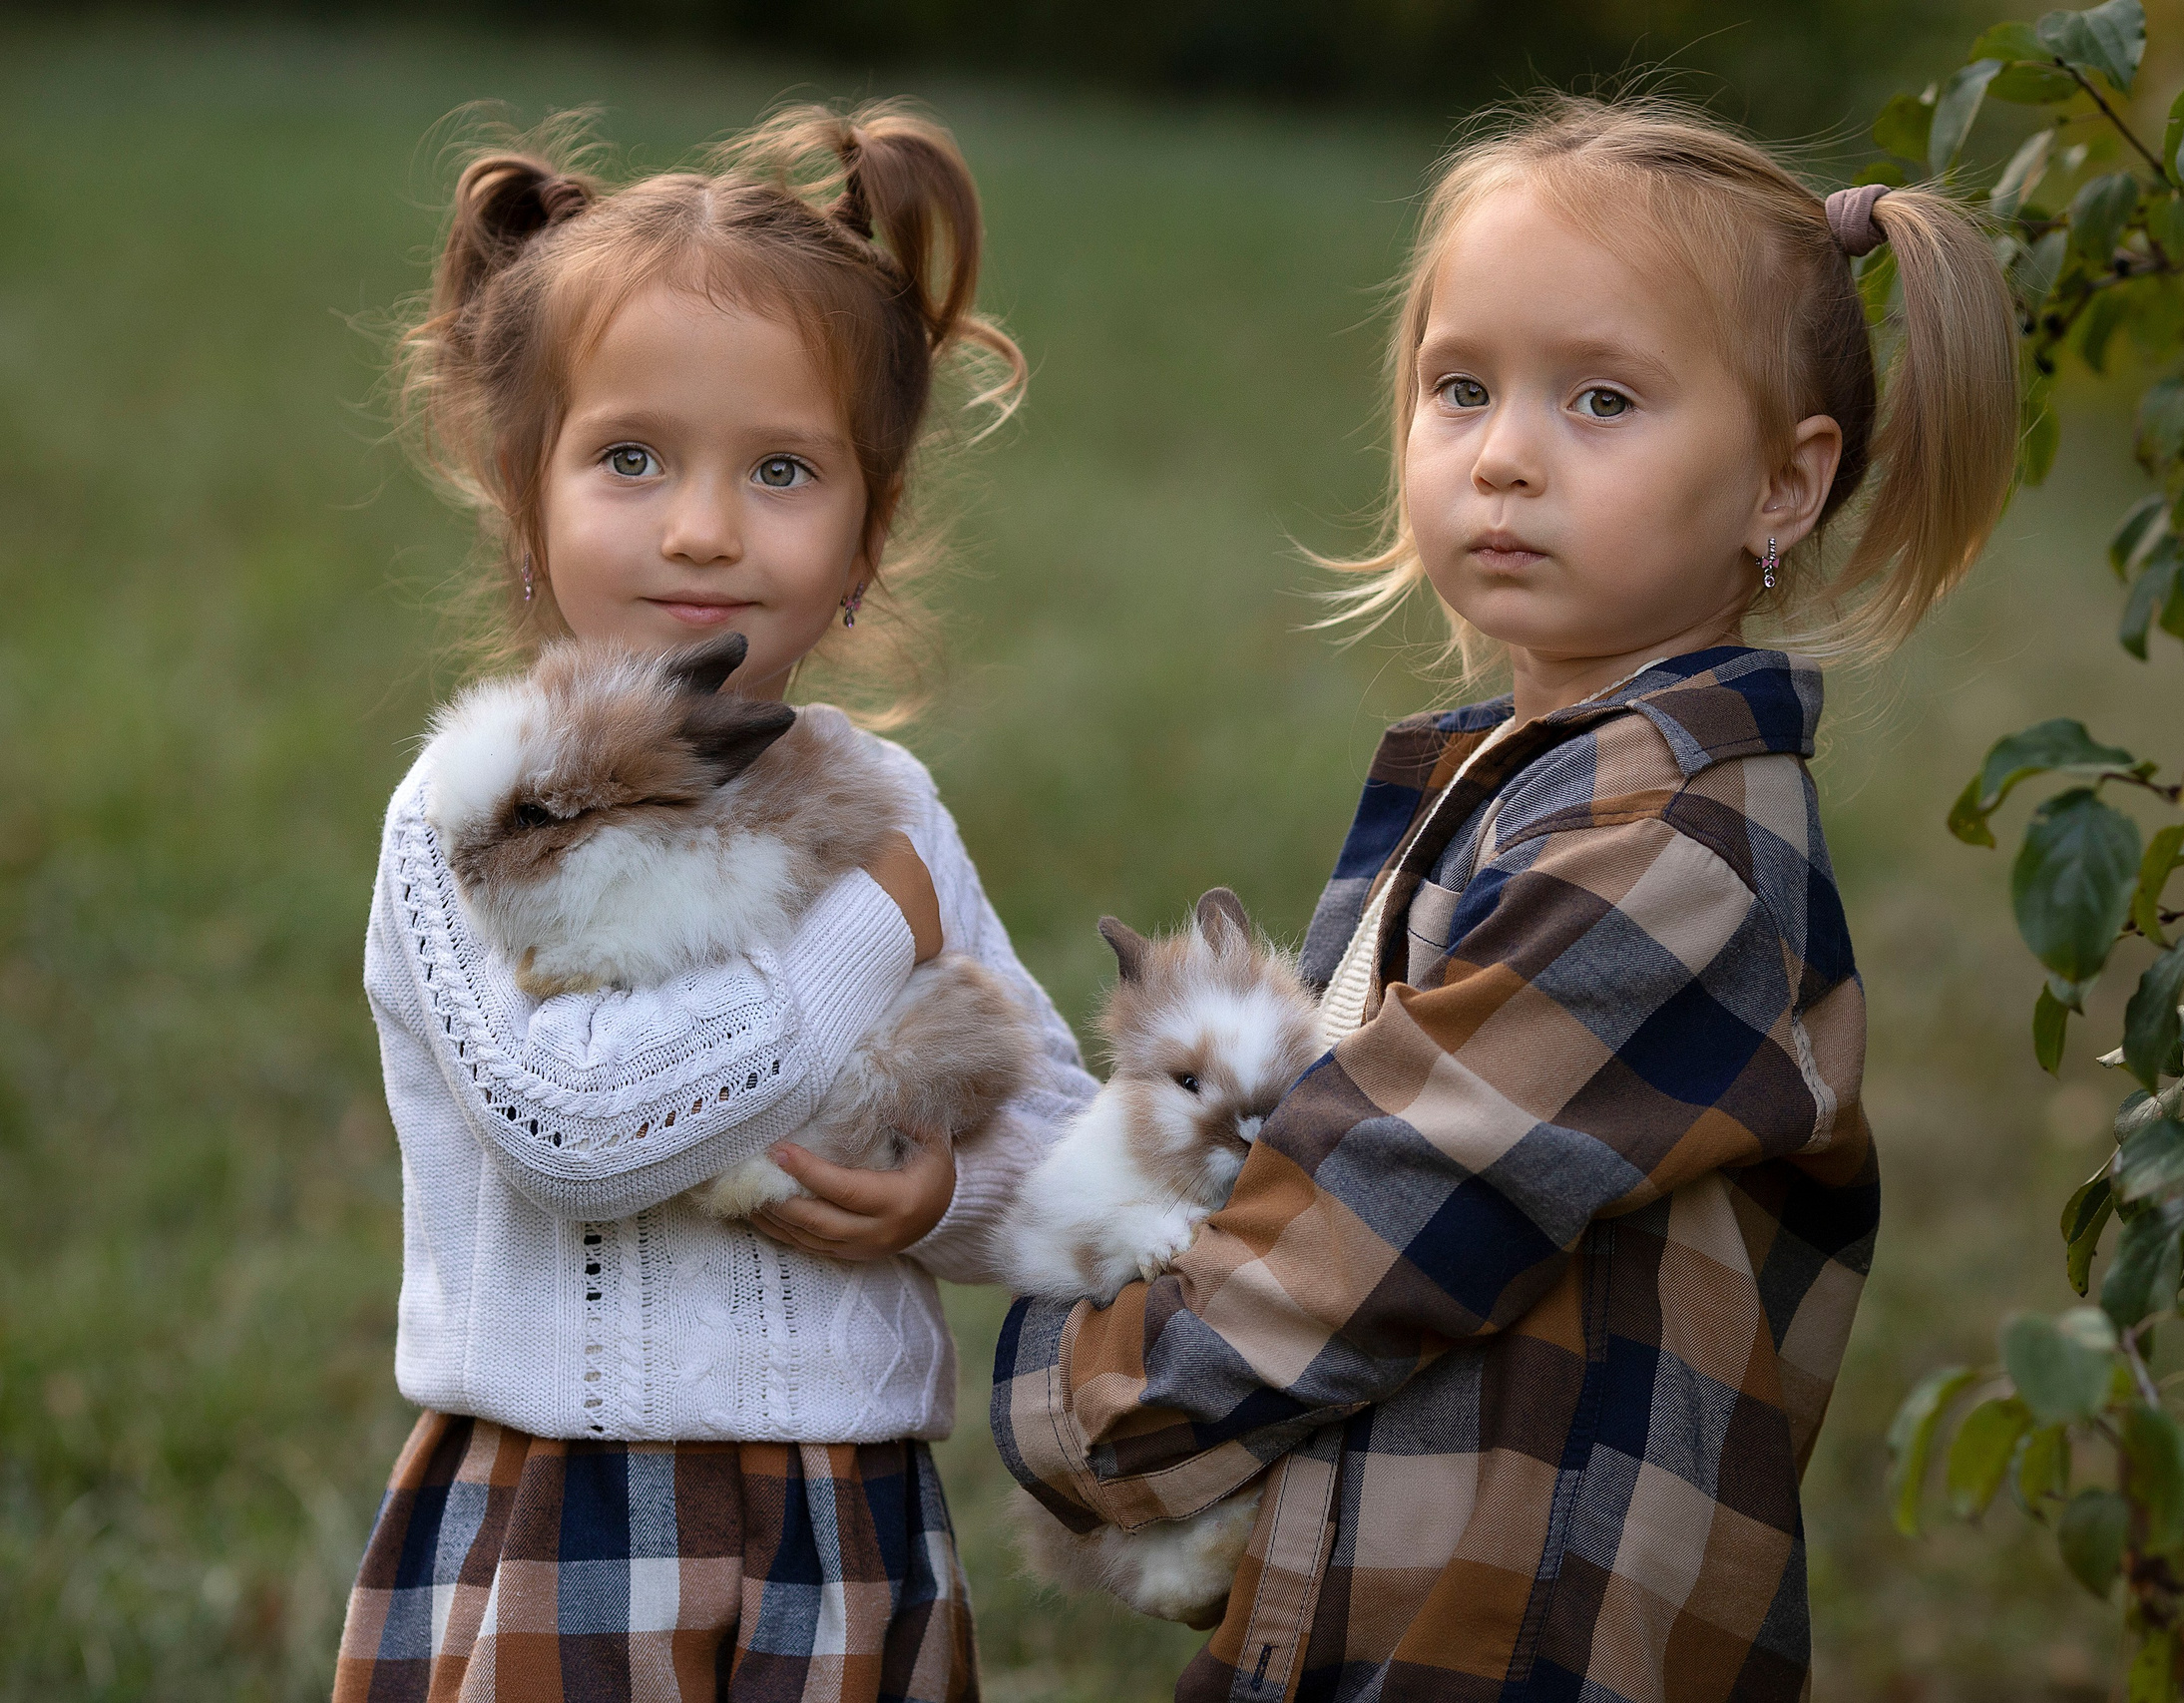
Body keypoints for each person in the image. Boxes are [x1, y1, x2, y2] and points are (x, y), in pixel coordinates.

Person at [991, 92, 2016, 1702]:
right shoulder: (1521, 778)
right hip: (1393, 1600)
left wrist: (1081, 1396)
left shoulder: (1672, 850)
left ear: (1784, 487)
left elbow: (1381, 1209)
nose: (1507, 456)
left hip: (1525, 1642)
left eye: (1602, 400)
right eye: (1460, 388)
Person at [334, 103, 1093, 1703]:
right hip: (565, 1509)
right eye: (629, 458)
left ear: (865, 534)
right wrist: (863, 938)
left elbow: (1052, 1124)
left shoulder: (889, 807)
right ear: (519, 488)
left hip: (850, 1521)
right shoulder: (474, 811)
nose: (701, 526)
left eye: (781, 469)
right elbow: (579, 1135)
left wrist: (942, 1196)